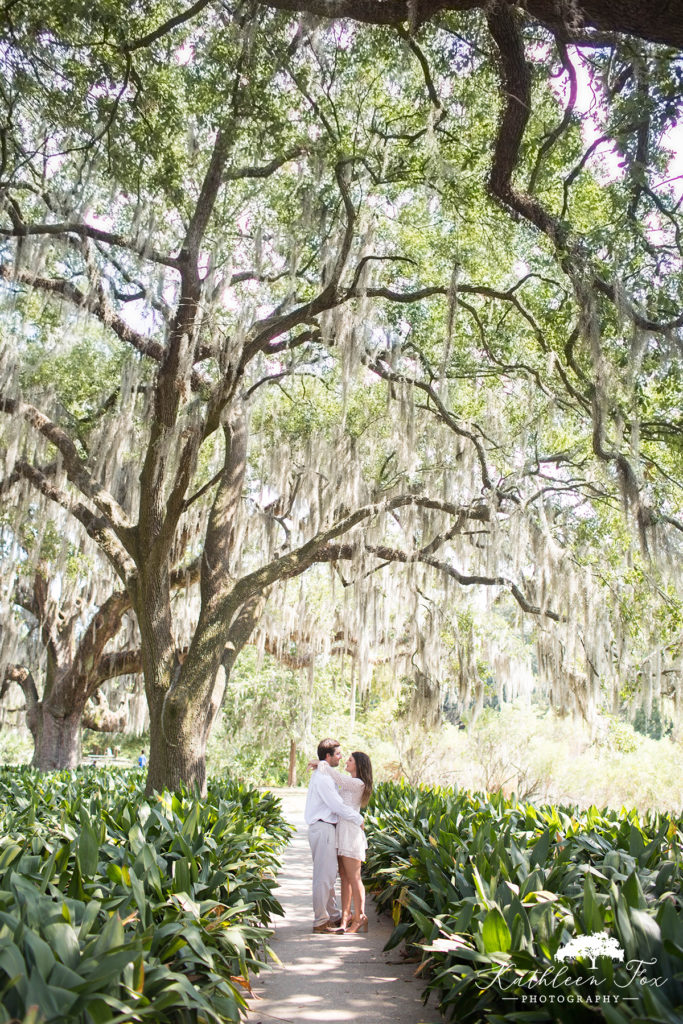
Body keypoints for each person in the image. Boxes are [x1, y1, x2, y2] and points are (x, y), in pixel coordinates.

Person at [304, 738, 364, 933]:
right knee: (324, 876)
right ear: (328, 756)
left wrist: (320, 763)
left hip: (327, 829)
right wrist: (358, 818)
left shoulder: (325, 774)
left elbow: (341, 781)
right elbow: (337, 806)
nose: (341, 757)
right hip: (323, 827)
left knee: (328, 876)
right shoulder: (322, 778)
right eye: (338, 754)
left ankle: (333, 915)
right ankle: (321, 920)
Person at [314, 750, 373, 933]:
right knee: (345, 879)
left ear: (358, 765)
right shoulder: (348, 784)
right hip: (341, 830)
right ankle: (345, 918)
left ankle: (360, 917)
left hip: (351, 833)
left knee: (355, 878)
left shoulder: (358, 783)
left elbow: (339, 779)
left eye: (350, 760)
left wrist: (322, 764)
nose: (346, 761)